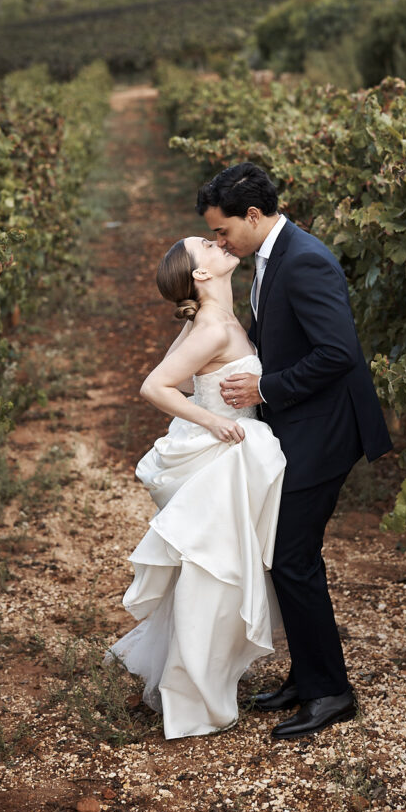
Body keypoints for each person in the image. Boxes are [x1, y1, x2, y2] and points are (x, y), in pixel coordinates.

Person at [197, 163, 392, 740]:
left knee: (290, 555)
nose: (218, 242)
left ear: (253, 216)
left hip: (326, 431)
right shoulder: (270, 254)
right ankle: (307, 678)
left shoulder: (304, 259)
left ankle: (332, 692)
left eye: (223, 231)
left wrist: (266, 388)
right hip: (302, 424)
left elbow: (338, 353)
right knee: (286, 555)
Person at [105, 236, 286, 739]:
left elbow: (189, 377)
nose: (218, 242)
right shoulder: (209, 325)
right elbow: (156, 385)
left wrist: (211, 391)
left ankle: (203, 679)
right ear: (201, 274)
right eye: (205, 245)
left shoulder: (214, 319)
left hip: (237, 448)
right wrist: (212, 418)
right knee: (215, 575)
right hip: (223, 455)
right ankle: (195, 699)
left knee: (218, 572)